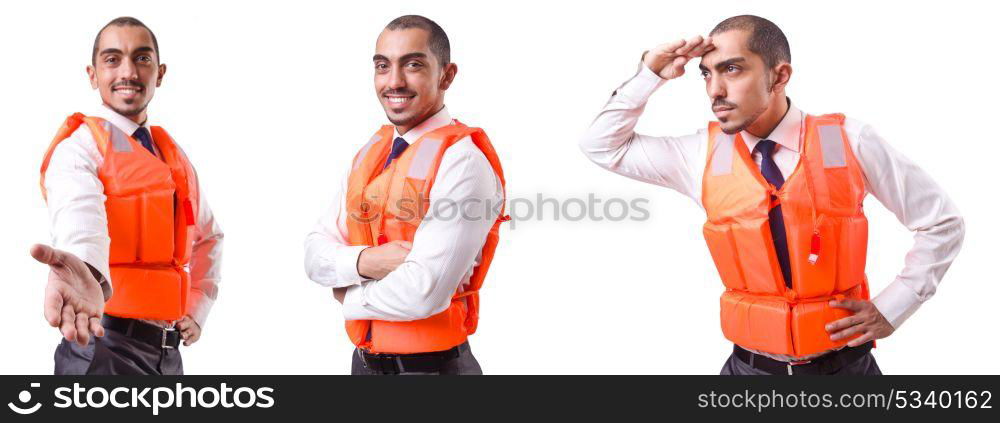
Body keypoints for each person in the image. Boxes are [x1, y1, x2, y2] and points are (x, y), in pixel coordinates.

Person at [578, 15, 964, 375]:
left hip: (846, 373)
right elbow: (601, 146)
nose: (715, 90)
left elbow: (941, 222)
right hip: (747, 372)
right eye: (706, 74)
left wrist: (895, 307)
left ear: (779, 76)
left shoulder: (845, 140)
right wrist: (650, 74)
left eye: (732, 68)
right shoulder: (700, 155)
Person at [304, 15, 508, 375]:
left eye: (413, 65)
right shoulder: (372, 152)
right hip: (364, 365)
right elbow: (315, 254)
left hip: (432, 370)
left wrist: (346, 293)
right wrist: (366, 261)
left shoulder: (463, 161)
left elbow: (422, 292)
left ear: (446, 75)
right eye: (383, 66)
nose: (394, 81)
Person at [34, 16, 223, 375]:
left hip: (167, 354)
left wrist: (196, 309)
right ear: (92, 74)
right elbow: (80, 219)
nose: (128, 72)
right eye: (112, 59)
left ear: (160, 72)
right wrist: (84, 272)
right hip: (101, 347)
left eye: (141, 58)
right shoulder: (80, 149)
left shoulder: (173, 155)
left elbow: (209, 236)